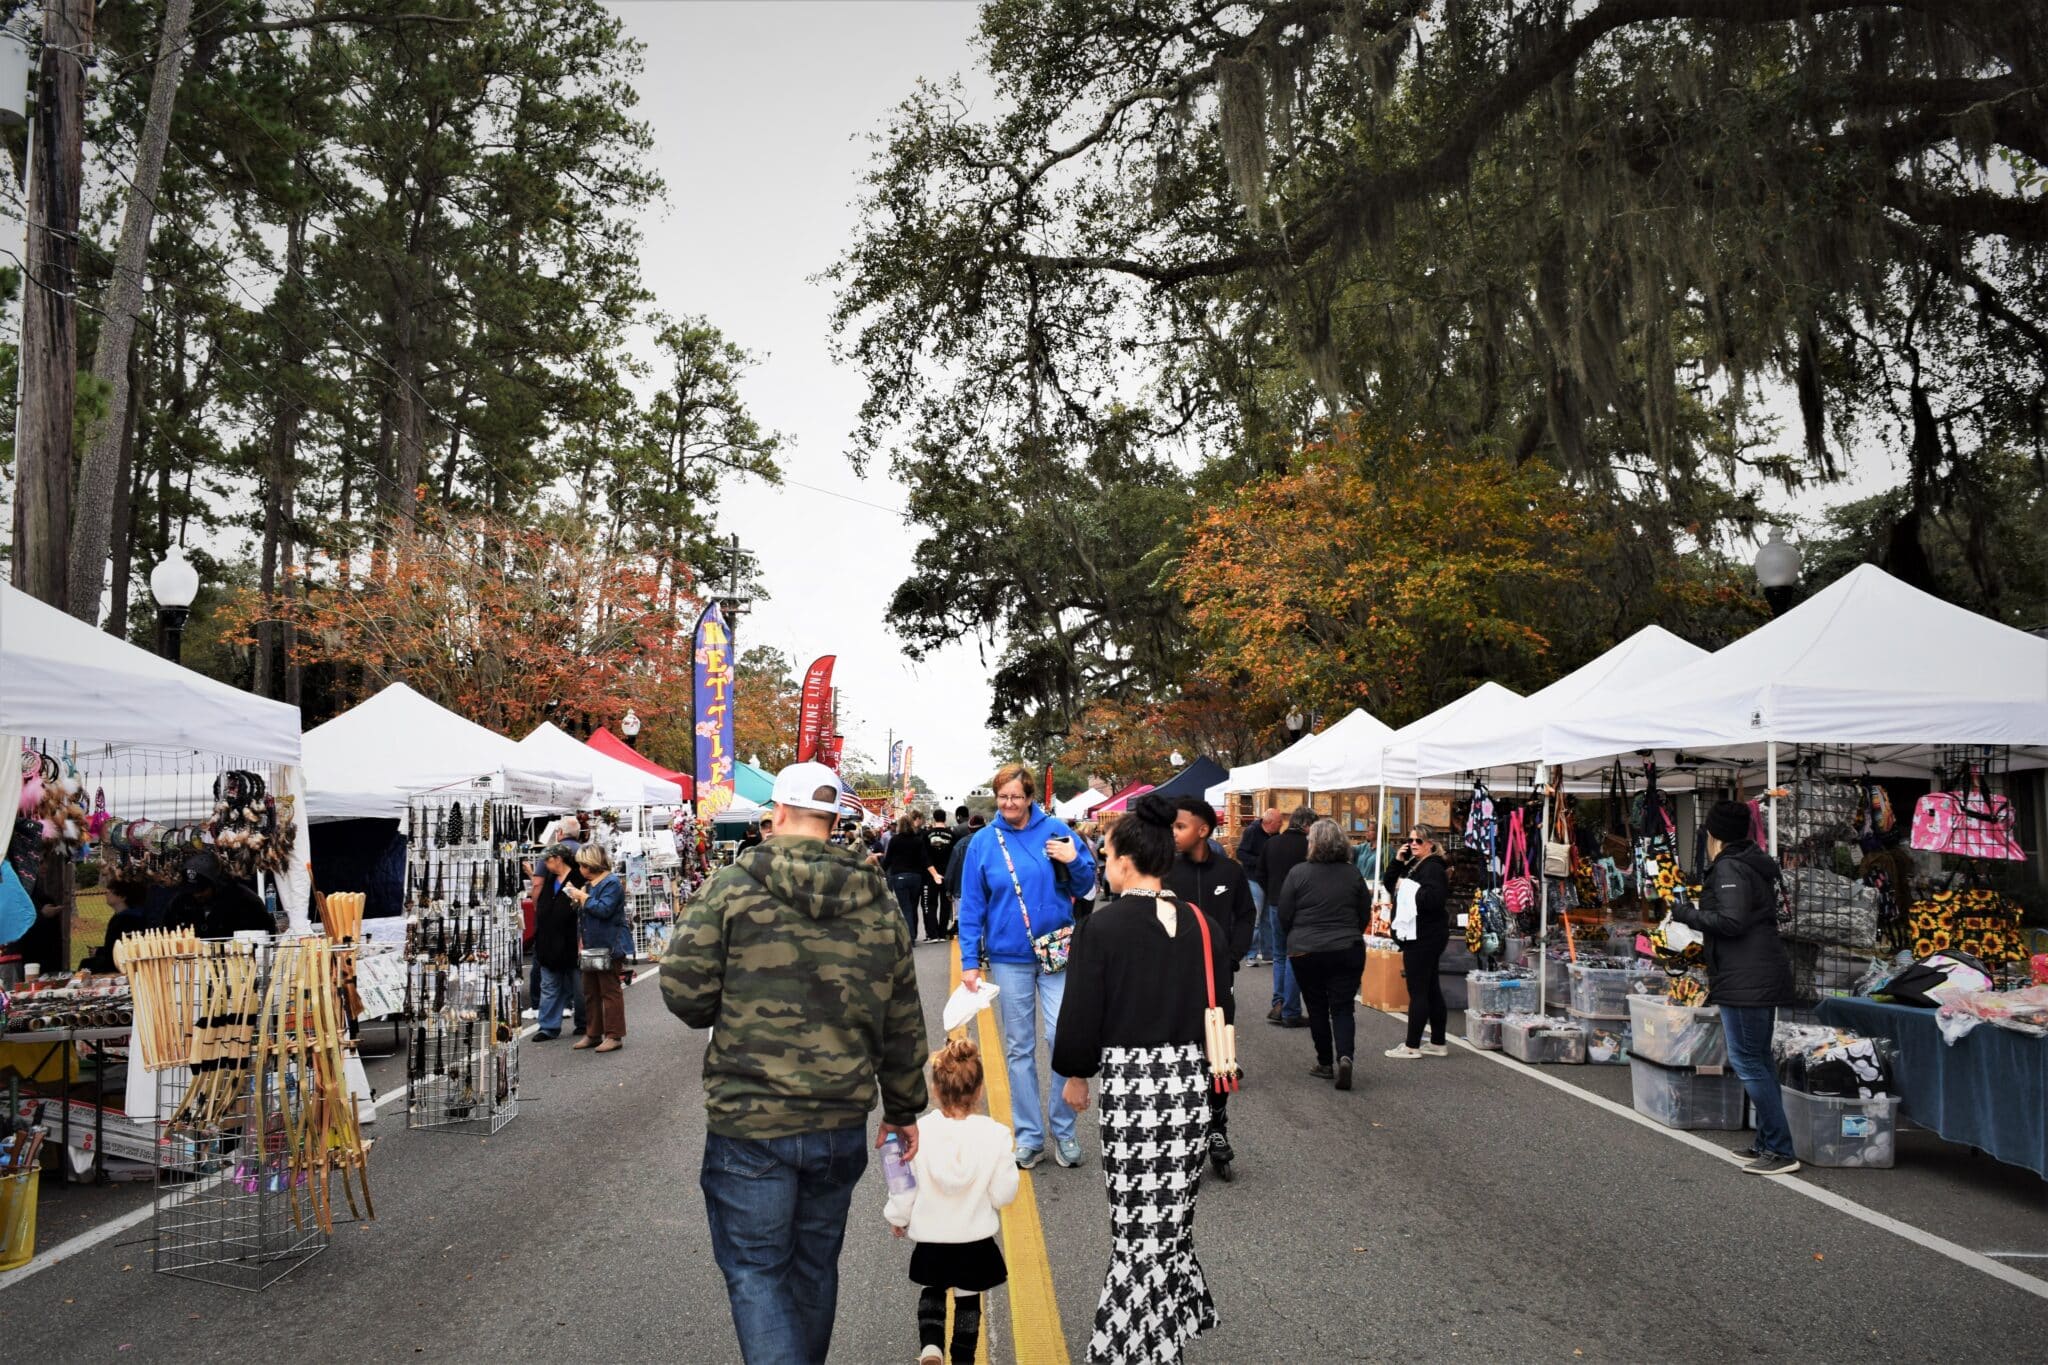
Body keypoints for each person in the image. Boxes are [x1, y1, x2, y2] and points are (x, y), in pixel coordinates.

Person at [664, 762, 928, 1365]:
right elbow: (902, 1016)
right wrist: (905, 1108)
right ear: (834, 821)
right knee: (813, 1270)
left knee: (758, 1274)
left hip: (749, 1120)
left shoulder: (731, 887)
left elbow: (683, 989)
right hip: (837, 1122)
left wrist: (725, 1004)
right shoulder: (876, 899)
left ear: (776, 813)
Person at [1053, 794, 1218, 1363]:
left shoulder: (1104, 928)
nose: (1103, 863)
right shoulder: (1203, 924)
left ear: (1125, 860)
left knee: (1134, 1226)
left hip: (1133, 1088)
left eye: (1107, 855)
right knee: (1170, 1224)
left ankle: (1125, 1348)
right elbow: (1223, 1010)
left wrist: (1077, 1074)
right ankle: (1163, 1338)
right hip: (1191, 1085)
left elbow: (1080, 1014)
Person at [956, 761, 1096, 1170]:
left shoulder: (1056, 830)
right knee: (1019, 1049)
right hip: (1007, 957)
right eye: (1003, 797)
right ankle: (1030, 1136)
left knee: (1060, 1039)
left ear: (1031, 797)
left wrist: (1074, 859)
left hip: (1056, 953)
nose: (1010, 804)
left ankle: (1064, 1130)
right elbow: (972, 906)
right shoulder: (984, 842)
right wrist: (969, 961)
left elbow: (1087, 887)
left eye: (1017, 796)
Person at [1671, 800, 1802, 1175]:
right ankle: (1768, 1141)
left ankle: (1779, 1149)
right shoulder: (1749, 861)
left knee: (1749, 1062)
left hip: (1747, 978)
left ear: (1713, 833)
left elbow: (1731, 921)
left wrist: (1686, 914)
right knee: (1758, 1061)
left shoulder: (1729, 866)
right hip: (1752, 974)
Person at [884, 1038, 1018, 1365]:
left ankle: (931, 1348)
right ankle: (962, 1358)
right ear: (980, 1090)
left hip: (932, 1238)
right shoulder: (994, 1134)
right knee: (968, 1302)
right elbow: (1003, 1194)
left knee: (932, 1291)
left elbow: (904, 1187)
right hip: (974, 1240)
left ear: (934, 1088)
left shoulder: (919, 1132)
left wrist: (899, 1218)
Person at [1162, 796, 1256, 1180]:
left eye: (1180, 826)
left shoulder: (1230, 872)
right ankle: (1180, 1133)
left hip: (1218, 981)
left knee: (1218, 1057)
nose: (1173, 833)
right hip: (1173, 981)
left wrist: (1232, 955)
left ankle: (1217, 1128)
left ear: (1203, 830)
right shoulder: (1164, 870)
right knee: (1176, 1056)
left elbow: (1246, 915)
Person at [1277, 819, 1371, 1090]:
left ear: (1313, 843)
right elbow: (1363, 911)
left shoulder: (1298, 873)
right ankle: (1345, 1056)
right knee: (1342, 1007)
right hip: (1346, 946)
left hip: (1306, 949)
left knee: (1316, 1006)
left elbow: (1285, 913)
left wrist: (1295, 936)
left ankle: (1324, 1062)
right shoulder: (1352, 873)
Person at [1382, 825, 1451, 1059]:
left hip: (1424, 935)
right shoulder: (1416, 864)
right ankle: (1438, 1042)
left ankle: (1412, 1046)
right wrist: (1398, 862)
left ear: (1430, 843)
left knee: (1418, 989)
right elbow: (1390, 885)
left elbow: (1433, 899)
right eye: (1409, 840)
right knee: (1431, 988)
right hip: (1421, 933)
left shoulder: (1432, 868)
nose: (1412, 844)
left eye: (1418, 841)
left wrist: (1408, 888)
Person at [566, 843, 629, 1053]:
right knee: (590, 991)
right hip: (590, 945)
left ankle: (614, 1035)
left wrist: (583, 898)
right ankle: (593, 1033)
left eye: (582, 865)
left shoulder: (611, 883)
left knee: (609, 991)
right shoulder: (590, 884)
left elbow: (604, 909)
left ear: (591, 864)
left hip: (608, 945)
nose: (580, 869)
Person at [1259, 809, 1313, 1028]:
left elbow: (1260, 873)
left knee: (1280, 954)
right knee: (1295, 955)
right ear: (1307, 825)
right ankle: (1291, 1010)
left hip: (1275, 903)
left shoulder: (1272, 843)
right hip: (1300, 906)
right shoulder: (1308, 846)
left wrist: (1272, 892)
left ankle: (1278, 1001)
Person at [529, 842, 586, 1041]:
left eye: (548, 860)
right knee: (549, 984)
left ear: (559, 859)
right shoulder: (551, 879)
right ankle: (548, 1026)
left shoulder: (578, 878)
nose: (546, 864)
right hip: (548, 940)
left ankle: (584, 1023)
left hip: (572, 940)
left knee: (579, 987)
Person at [167, 851, 275, 939]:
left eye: (202, 889)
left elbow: (266, 934)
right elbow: (166, 932)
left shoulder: (245, 900)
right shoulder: (180, 902)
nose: (197, 894)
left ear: (216, 885)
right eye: (192, 890)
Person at [883, 813, 942, 941]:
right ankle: (913, 932)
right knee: (913, 906)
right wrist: (935, 874)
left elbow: (887, 860)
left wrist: (880, 873)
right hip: (916, 877)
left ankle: (910, 936)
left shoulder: (894, 840)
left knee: (905, 907)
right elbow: (925, 859)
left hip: (899, 877)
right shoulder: (917, 840)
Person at [79, 877, 154, 973]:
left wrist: (99, 952)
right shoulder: (121, 917)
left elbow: (125, 948)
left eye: (110, 891)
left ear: (122, 896)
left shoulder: (129, 919)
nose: (106, 893)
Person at [1236, 808, 1281, 965]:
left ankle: (1269, 954)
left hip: (1270, 880)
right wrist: (1261, 862)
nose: (1281, 825)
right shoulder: (1252, 831)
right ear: (1269, 823)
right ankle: (1251, 954)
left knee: (1268, 918)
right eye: (1279, 822)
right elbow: (1241, 853)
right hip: (1254, 879)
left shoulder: (1276, 834)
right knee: (1255, 918)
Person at [923, 809, 956, 941]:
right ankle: (943, 933)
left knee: (930, 904)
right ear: (945, 819)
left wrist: (934, 874)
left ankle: (933, 934)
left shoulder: (926, 834)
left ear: (934, 818)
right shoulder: (952, 835)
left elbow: (924, 856)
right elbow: (955, 856)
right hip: (947, 874)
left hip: (931, 874)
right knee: (945, 903)